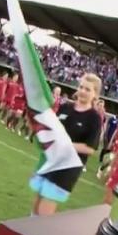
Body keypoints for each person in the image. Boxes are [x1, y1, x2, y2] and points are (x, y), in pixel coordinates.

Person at [30, 73, 102, 215]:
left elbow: (90, 149)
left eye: (88, 89)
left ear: (95, 94)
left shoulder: (94, 118)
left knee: (46, 207)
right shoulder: (65, 107)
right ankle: (25, 233)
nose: (82, 91)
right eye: (81, 87)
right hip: (51, 160)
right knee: (37, 200)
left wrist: (66, 144)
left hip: (68, 167)